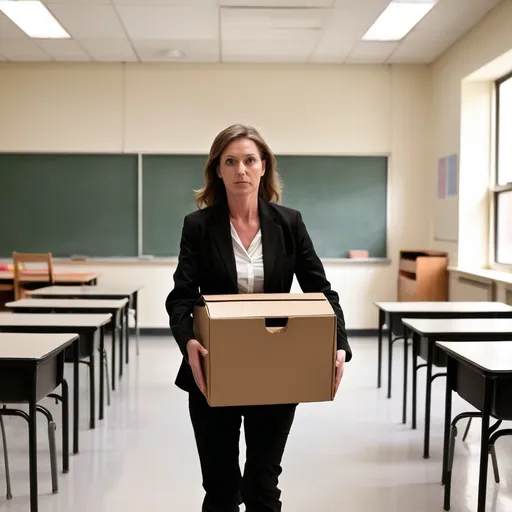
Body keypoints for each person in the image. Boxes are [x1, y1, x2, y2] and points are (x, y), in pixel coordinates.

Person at [165, 124, 352, 512]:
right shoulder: (197, 227)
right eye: (229, 161)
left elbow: (322, 291)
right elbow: (181, 297)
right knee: (220, 490)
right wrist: (188, 342)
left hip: (276, 369)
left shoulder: (289, 223)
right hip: (215, 368)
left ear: (264, 166)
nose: (240, 170)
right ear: (217, 169)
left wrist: (338, 345)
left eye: (249, 160)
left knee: (262, 487)